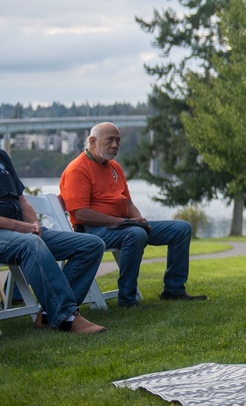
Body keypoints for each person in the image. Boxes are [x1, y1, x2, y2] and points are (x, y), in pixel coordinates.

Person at [60, 122, 208, 307]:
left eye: (118, 140)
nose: (115, 145)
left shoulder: (115, 167)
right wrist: (124, 223)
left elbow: (127, 202)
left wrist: (138, 219)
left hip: (124, 225)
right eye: (110, 140)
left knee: (181, 228)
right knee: (135, 234)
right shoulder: (78, 169)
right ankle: (127, 298)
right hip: (93, 231)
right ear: (92, 141)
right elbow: (81, 214)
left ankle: (174, 290)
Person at [0, 149, 106, 333]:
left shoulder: (2, 156)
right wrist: (20, 227)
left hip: (22, 231)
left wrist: (33, 224)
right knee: (31, 244)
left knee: (92, 245)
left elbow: (22, 202)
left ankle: (49, 315)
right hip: (5, 233)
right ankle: (67, 316)